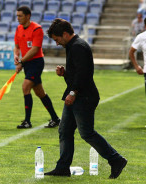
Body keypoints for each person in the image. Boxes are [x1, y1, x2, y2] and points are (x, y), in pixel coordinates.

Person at [44, 18, 127, 179]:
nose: (56, 43)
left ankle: (116, 159)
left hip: (84, 96)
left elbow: (84, 74)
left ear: (66, 34)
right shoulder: (73, 46)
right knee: (65, 130)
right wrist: (65, 73)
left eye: (57, 39)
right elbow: (78, 73)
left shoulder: (78, 47)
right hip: (78, 94)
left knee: (87, 133)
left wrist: (73, 92)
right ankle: (62, 167)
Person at [14, 6, 60, 129]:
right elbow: (17, 46)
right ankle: (55, 119)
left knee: (25, 87)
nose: (18, 18)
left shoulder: (37, 29)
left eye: (20, 16)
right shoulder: (18, 28)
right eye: (17, 16)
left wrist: (21, 62)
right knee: (40, 93)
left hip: (36, 62)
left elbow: (35, 50)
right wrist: (16, 55)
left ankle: (27, 121)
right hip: (27, 63)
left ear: (28, 16)